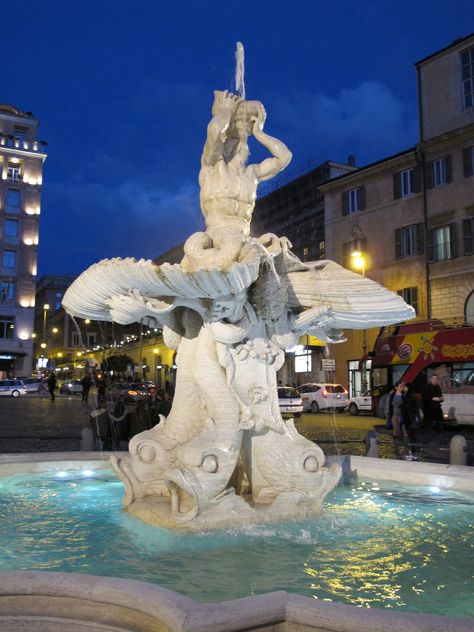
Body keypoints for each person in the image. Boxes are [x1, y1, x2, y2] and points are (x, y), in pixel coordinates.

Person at [182, 90, 292, 271]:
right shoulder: (212, 166)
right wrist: (225, 111)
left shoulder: (252, 174)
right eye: (230, 141)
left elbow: (284, 157)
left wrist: (260, 134)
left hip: (245, 238)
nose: (237, 145)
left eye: (241, 142)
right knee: (231, 252)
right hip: (218, 236)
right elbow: (215, 132)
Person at [401, 383, 421, 460]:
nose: (404, 388)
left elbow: (408, 408)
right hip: (410, 419)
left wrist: (401, 407)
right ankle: (413, 451)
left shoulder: (409, 396)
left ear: (408, 388)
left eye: (405, 386)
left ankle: (414, 453)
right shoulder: (409, 395)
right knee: (412, 436)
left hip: (410, 420)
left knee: (412, 436)